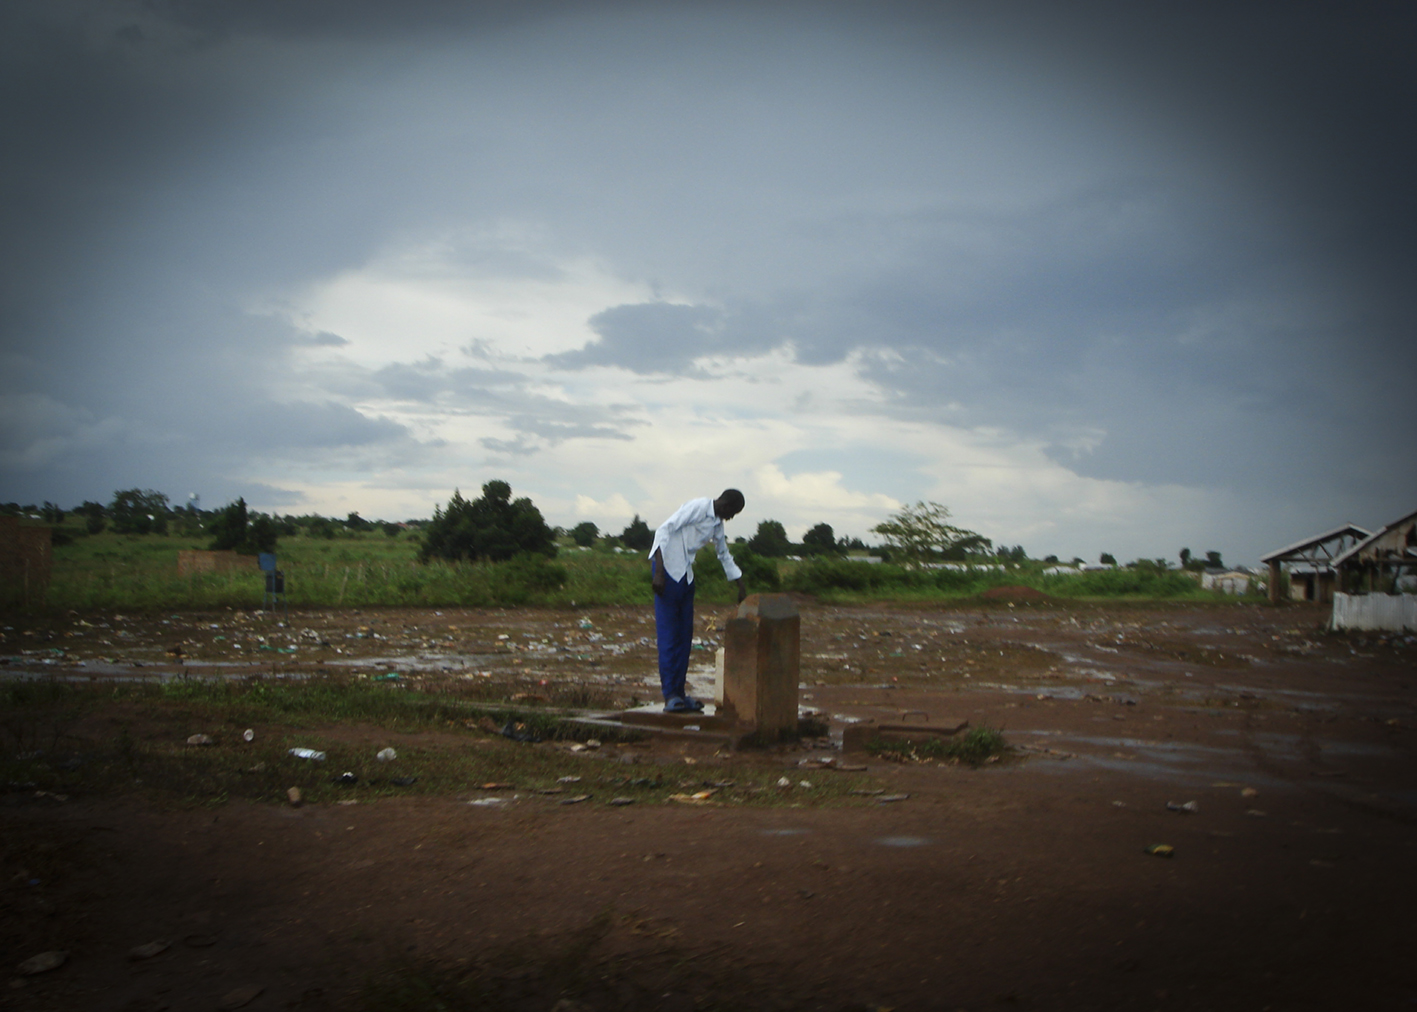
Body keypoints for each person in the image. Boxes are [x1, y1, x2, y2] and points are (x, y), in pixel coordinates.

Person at [649, 489, 747, 713]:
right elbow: (664, 530)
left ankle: (680, 694)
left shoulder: (717, 523)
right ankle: (670, 695)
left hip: (685, 574)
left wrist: (740, 585)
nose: (731, 518)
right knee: (669, 637)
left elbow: (723, 553)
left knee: (684, 638)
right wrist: (659, 572)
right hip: (667, 571)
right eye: (732, 512)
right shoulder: (698, 507)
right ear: (725, 504)